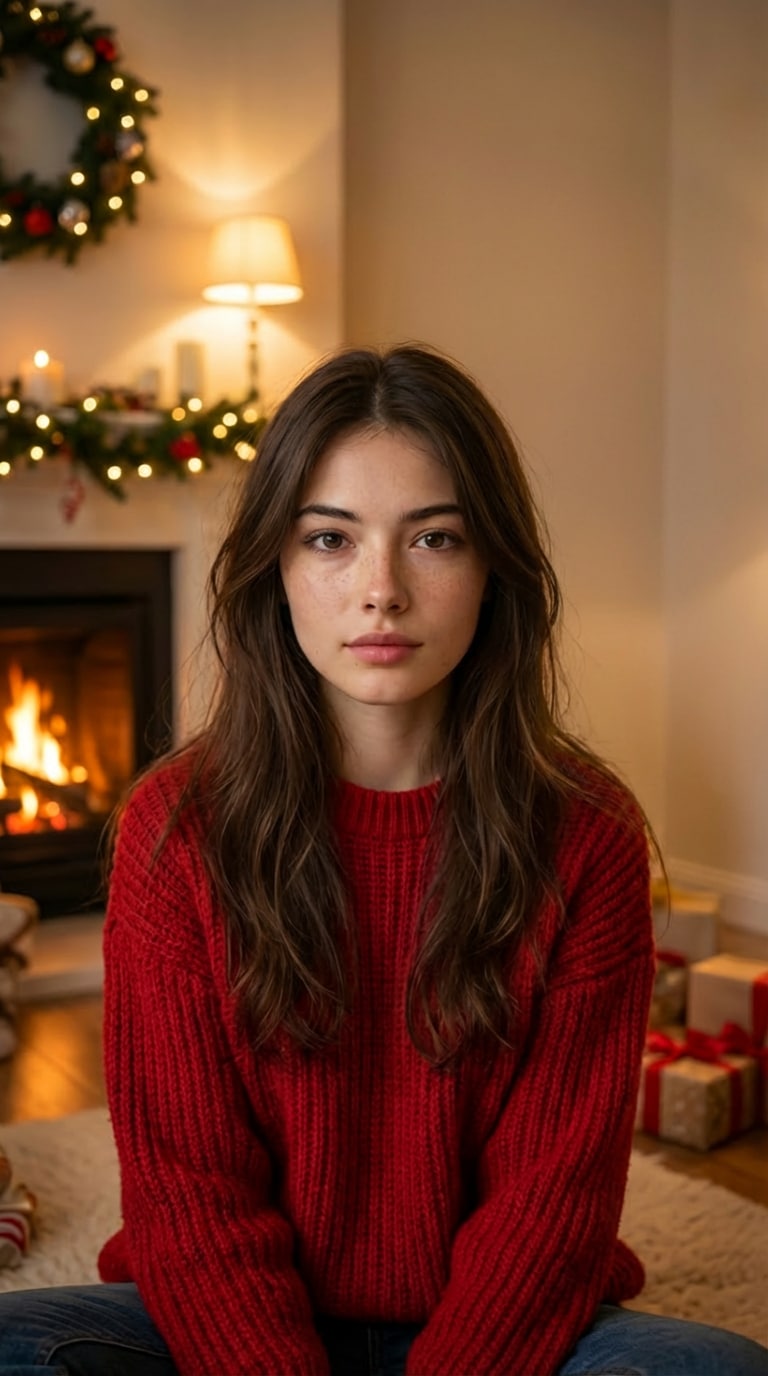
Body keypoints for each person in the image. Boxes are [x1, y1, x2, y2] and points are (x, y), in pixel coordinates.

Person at [0, 344, 765, 1376]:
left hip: (495, 1328)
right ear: (277, 565)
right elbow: (190, 1197)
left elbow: (552, 1205)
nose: (382, 591)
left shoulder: (586, 831)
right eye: (330, 538)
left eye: (435, 537)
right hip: (229, 1326)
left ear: (493, 567)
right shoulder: (175, 829)